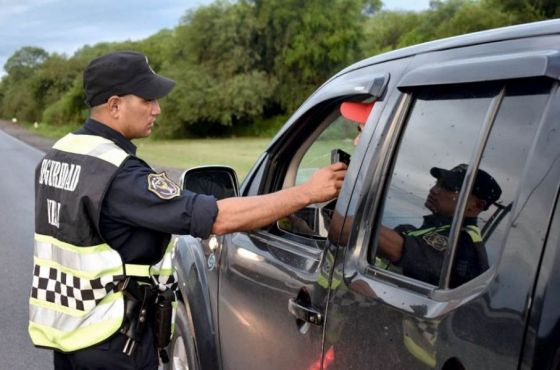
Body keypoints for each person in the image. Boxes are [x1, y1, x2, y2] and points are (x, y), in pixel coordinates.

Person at [29, 50, 347, 370]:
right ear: (114, 105)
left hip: (71, 332)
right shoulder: (119, 175)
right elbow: (217, 218)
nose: (157, 109)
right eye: (148, 100)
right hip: (112, 339)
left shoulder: (61, 153)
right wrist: (308, 192)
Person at [377, 164, 502, 287]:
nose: (434, 190)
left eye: (447, 187)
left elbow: (400, 250)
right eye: (437, 183)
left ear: (476, 206)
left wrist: (361, 224)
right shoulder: (436, 229)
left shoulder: (464, 242)